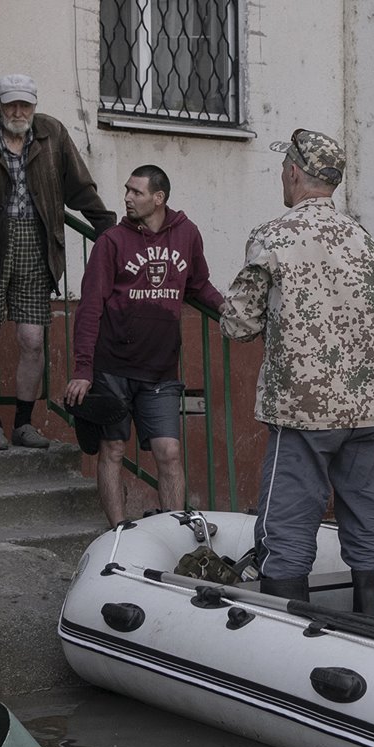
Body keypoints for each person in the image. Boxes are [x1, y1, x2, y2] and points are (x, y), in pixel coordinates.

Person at [220, 129, 374, 611]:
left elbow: (237, 323)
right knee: (367, 525)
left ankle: (290, 647)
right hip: (366, 410)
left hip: (303, 412)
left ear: (294, 171)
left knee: (288, 532)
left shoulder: (274, 236)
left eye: (283, 168)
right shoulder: (369, 243)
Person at [0, 74, 115, 450]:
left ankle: (23, 423)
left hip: (37, 244)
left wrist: (107, 227)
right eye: (11, 104)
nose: (18, 111)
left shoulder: (52, 134)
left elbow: (79, 186)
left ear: (34, 105)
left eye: (25, 104)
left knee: (32, 339)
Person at [63, 165, 227, 527]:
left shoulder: (187, 234)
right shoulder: (112, 241)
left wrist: (226, 309)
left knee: (168, 452)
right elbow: (90, 307)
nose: (127, 198)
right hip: (113, 366)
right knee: (113, 450)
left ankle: (173, 532)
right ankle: (119, 532)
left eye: (136, 192)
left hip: (160, 369)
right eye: (127, 190)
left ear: (159, 198)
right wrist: (83, 370)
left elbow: (199, 285)